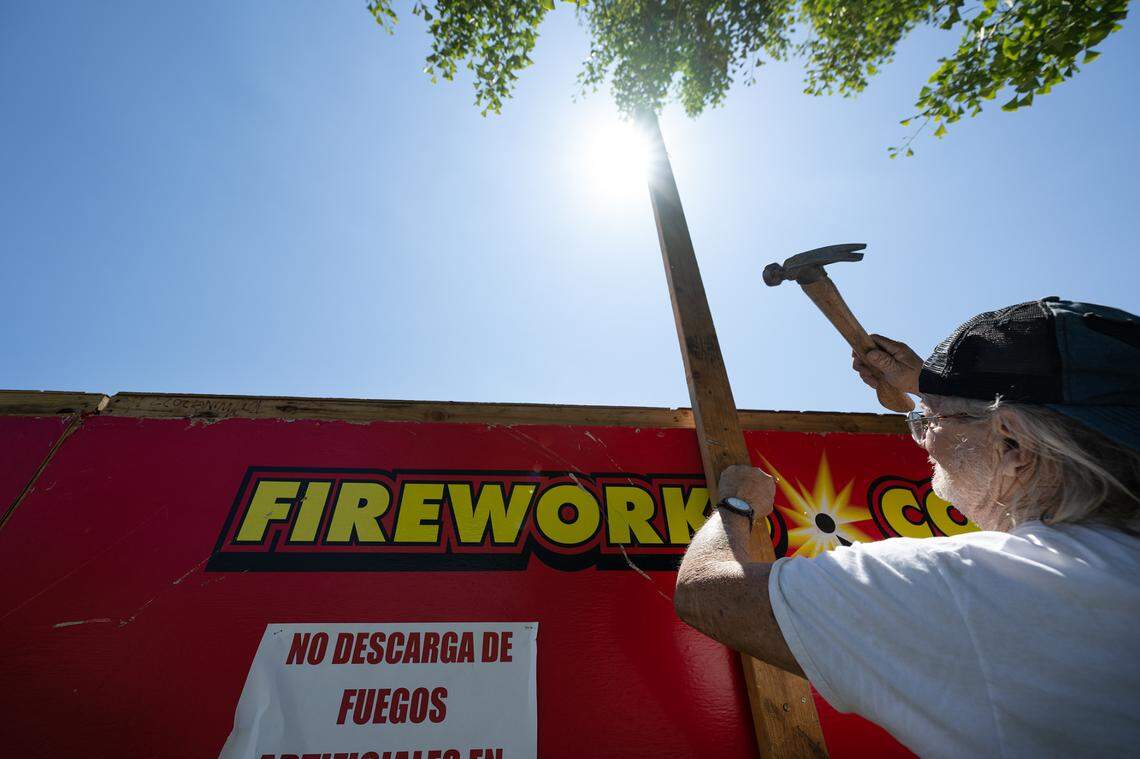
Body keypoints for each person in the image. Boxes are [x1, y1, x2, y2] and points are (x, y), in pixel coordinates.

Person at [673, 298, 1140, 758]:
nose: (924, 438)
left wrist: (737, 505)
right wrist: (932, 388)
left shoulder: (980, 587)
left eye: (931, 420)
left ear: (1014, 442)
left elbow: (709, 592)